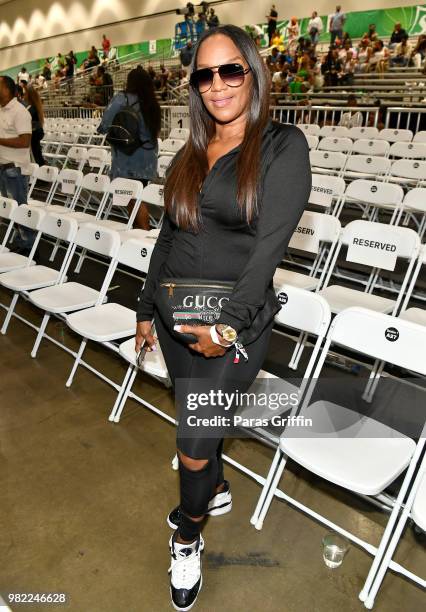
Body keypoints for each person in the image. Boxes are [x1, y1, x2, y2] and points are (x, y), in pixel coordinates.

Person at [134, 24, 310, 611]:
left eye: (230, 70)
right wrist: (143, 307)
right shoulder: (188, 152)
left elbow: (269, 252)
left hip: (232, 325)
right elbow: (167, 237)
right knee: (199, 427)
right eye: (204, 75)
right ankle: (216, 486)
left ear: (253, 73)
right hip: (175, 321)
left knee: (190, 439)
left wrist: (228, 325)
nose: (217, 85)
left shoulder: (283, 146)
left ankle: (187, 534)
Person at [97, 66, 160, 230]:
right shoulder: (152, 102)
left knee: (132, 199)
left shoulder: (121, 99)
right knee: (136, 197)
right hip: (148, 159)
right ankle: (139, 234)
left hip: (127, 158)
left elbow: (104, 124)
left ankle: (145, 236)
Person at [0, 76, 34, 254]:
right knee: (10, 209)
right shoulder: (2, 110)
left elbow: (24, 141)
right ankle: (21, 242)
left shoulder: (20, 112)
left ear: (7, 89)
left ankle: (29, 247)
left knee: (20, 208)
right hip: (3, 167)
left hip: (15, 168)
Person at [23, 85, 45, 167]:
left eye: (25, 94)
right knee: (37, 154)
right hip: (36, 132)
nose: (23, 96)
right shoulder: (34, 107)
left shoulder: (31, 109)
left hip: (34, 133)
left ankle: (40, 175)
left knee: (35, 155)